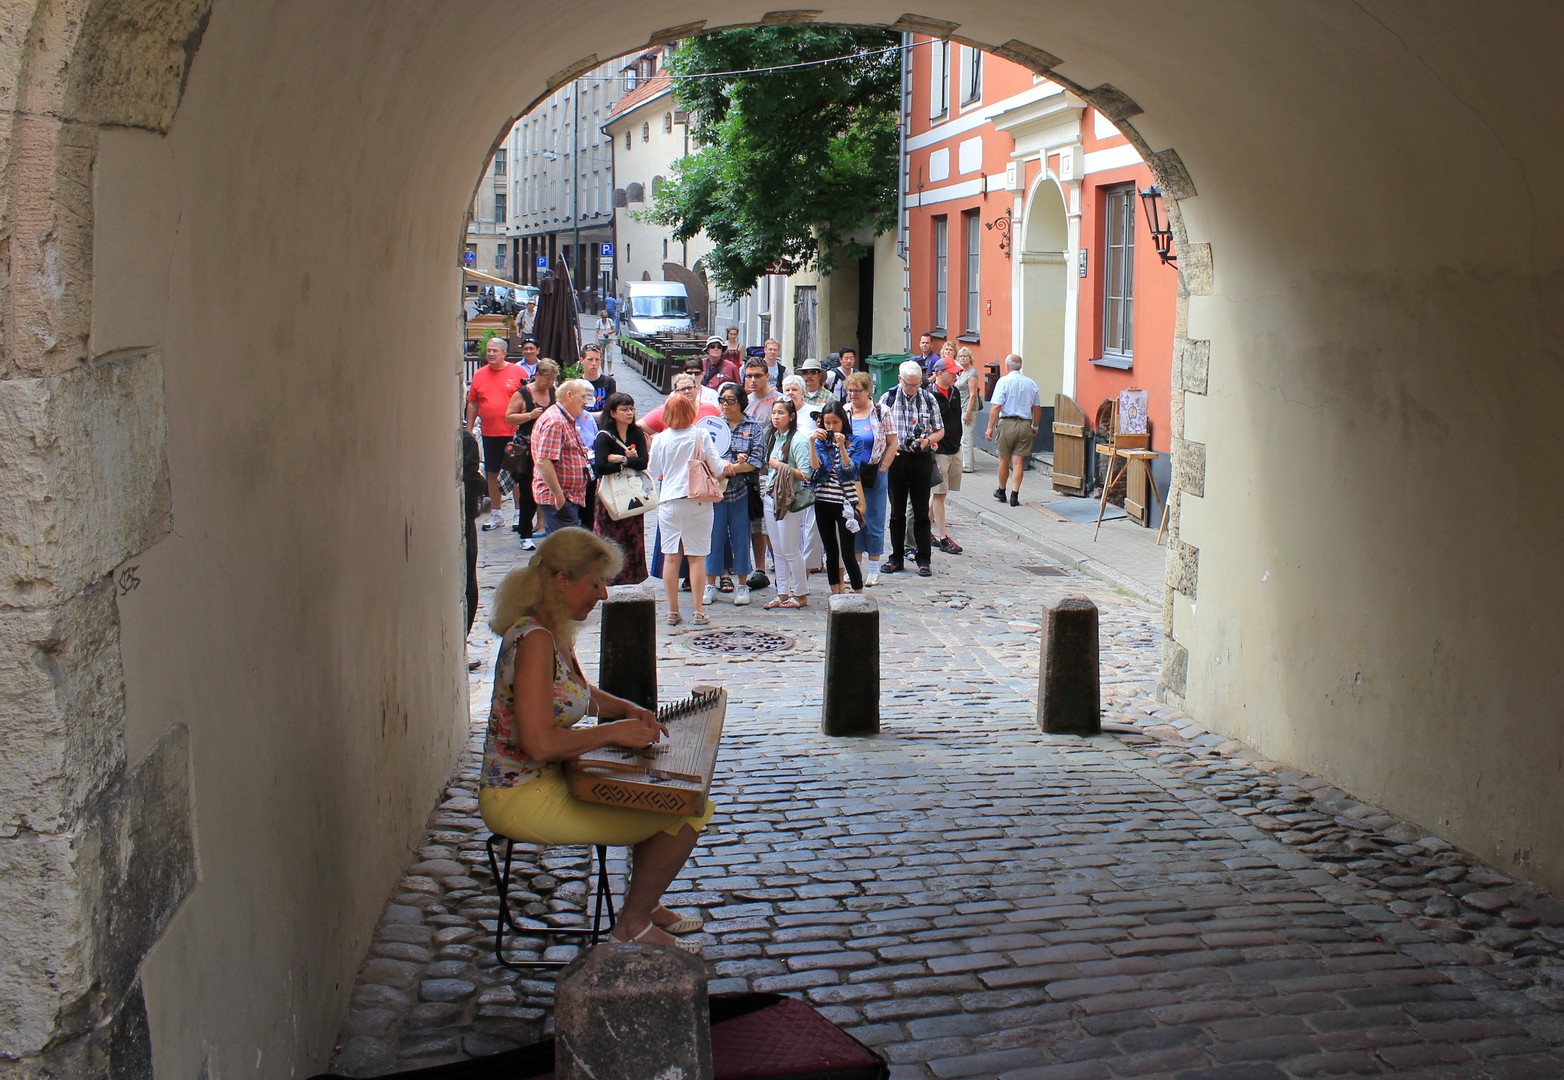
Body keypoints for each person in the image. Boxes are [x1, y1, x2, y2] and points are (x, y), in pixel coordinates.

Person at [479, 529, 711, 951]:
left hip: (547, 779)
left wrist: (625, 708)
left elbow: (578, 695)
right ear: (562, 580)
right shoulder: (534, 641)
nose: (603, 595)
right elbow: (540, 745)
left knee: (655, 794)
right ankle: (633, 923)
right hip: (519, 795)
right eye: (595, 583)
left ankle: (646, 903)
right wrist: (613, 731)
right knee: (687, 811)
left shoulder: (550, 630)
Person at [646, 391, 726, 626]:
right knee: (697, 558)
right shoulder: (700, 435)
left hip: (670, 500)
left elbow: (653, 470)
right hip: (698, 500)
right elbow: (718, 467)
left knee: (671, 557)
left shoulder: (660, 439)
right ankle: (698, 610)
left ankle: (672, 610)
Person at [879, 360, 944, 577]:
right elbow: (879, 430)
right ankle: (896, 557)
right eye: (909, 385)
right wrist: (888, 450)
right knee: (896, 512)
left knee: (920, 513)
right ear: (900, 380)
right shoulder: (887, 399)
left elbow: (940, 430)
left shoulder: (928, 398)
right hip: (897, 459)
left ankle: (923, 559)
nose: (912, 389)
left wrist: (926, 440)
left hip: (920, 459)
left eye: (916, 385)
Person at [703, 384, 760, 607]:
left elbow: (757, 461)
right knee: (714, 537)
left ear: (741, 402)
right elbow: (704, 454)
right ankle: (710, 583)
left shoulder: (752, 426)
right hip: (715, 491)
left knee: (741, 537)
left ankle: (742, 584)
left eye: (730, 400)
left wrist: (731, 468)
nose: (725, 405)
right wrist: (723, 467)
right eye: (722, 400)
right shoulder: (712, 425)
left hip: (741, 490)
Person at [465, 336, 524, 532]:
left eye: (495, 350)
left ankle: (519, 513)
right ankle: (497, 513)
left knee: (516, 472)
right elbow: (473, 402)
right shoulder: (480, 375)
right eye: (489, 350)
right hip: (490, 432)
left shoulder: (517, 372)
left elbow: (527, 398)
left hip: (513, 432)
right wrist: (470, 428)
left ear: (504, 353)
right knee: (492, 471)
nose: (490, 353)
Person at [843, 370, 896, 587]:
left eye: (857, 391)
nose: (853, 395)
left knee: (874, 518)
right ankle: (854, 567)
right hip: (851, 474)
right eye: (850, 391)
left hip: (874, 472)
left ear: (867, 391)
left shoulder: (881, 412)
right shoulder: (845, 412)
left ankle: (873, 568)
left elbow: (893, 442)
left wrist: (884, 466)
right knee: (852, 517)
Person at [592, 392, 650, 587]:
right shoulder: (604, 436)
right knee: (608, 535)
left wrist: (620, 459)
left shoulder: (637, 433)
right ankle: (608, 576)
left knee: (633, 536)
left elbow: (642, 462)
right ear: (613, 412)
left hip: (632, 491)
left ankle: (633, 575)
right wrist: (627, 460)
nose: (629, 413)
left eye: (631, 408)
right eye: (624, 409)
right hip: (610, 493)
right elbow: (600, 466)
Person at [761, 399, 813, 610]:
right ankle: (782, 592)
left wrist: (780, 466)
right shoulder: (774, 436)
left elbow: (806, 474)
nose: (776, 417)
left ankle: (801, 593)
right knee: (778, 549)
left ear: (791, 416)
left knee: (791, 548)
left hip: (789, 498)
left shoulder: (798, 441)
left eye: (781, 413)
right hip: (771, 495)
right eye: (774, 412)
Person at [808, 401, 864, 594]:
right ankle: (835, 594)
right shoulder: (820, 442)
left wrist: (842, 447)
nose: (831, 427)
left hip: (844, 502)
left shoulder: (854, 441)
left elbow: (851, 471)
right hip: (823, 500)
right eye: (827, 423)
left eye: (835, 423)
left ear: (843, 422)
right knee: (831, 550)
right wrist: (812, 443)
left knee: (848, 553)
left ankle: (859, 594)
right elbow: (816, 468)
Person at [505, 359, 558, 550]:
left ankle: (549, 528)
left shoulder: (553, 391)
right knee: (528, 491)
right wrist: (530, 415)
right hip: (528, 448)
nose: (549, 384)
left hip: (549, 446)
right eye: (546, 380)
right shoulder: (523, 393)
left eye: (552, 380)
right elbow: (509, 417)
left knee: (551, 488)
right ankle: (525, 532)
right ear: (538, 376)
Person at [530, 379, 592, 534]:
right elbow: (544, 461)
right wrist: (559, 497)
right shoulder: (556, 421)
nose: (585, 402)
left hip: (568, 497)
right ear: (569, 395)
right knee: (567, 551)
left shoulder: (564, 417)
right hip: (560, 499)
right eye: (583, 397)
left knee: (566, 549)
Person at [741, 357, 781, 590]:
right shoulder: (744, 401)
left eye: (757, 375)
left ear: (767, 375)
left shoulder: (778, 400)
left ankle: (782, 569)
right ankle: (759, 569)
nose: (753, 380)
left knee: (773, 525)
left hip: (771, 470)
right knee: (757, 525)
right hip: (749, 471)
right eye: (749, 376)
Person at [985, 353, 1043, 507]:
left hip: (1007, 423)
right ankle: (1014, 495)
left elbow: (996, 406)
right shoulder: (1031, 383)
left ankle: (1001, 490)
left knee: (1004, 459)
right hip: (1025, 424)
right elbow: (1037, 408)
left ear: (1007, 366)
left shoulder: (1003, 382)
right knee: (1018, 462)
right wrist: (1035, 426)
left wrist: (990, 427)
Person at [928, 357, 965, 555]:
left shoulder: (955, 392)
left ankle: (924, 528)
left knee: (940, 493)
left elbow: (956, 419)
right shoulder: (930, 395)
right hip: (939, 450)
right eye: (952, 372)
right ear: (940, 373)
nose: (955, 376)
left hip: (954, 447)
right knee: (940, 494)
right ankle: (943, 537)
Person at [460, 428, 486, 658]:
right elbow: (471, 478)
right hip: (462, 518)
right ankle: (460, 646)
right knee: (467, 586)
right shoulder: (464, 438)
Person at [639, 370, 721, 435]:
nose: (687, 391)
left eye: (689, 388)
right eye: (682, 389)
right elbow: (637, 428)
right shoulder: (664, 411)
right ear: (675, 392)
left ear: (696, 389)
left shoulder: (710, 408)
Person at [955, 345, 982, 473]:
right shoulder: (962, 372)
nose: (962, 358)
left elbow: (973, 394)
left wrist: (968, 413)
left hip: (968, 408)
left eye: (965, 356)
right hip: (961, 407)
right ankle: (966, 463)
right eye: (960, 356)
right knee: (964, 436)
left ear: (970, 358)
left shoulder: (972, 373)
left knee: (966, 437)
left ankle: (967, 466)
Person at [581, 344, 616, 414]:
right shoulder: (576, 383)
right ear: (582, 360)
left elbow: (611, 410)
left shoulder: (609, 382)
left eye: (597, 360)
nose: (594, 363)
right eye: (590, 359)